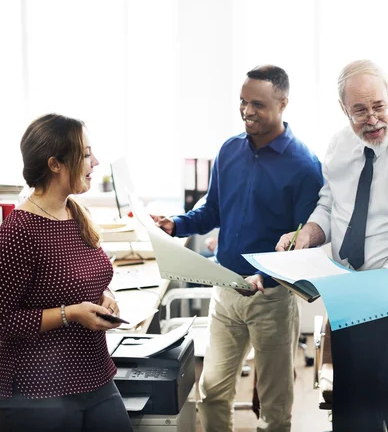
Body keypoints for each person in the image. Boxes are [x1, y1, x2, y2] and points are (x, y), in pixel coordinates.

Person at [276, 60, 388, 431]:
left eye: (379, 106)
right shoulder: (340, 144)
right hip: (351, 285)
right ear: (343, 109)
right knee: (354, 403)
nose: (372, 119)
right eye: (359, 110)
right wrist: (309, 234)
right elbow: (330, 203)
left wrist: (379, 286)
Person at [152, 65, 323, 432]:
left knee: (275, 405)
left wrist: (268, 274)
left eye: (257, 104)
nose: (247, 111)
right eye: (242, 102)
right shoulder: (229, 150)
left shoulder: (305, 167)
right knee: (213, 391)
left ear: (283, 103)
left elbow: (303, 244)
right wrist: (176, 224)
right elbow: (212, 210)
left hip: (271, 299)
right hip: (225, 291)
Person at [0, 114, 133, 432]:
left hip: (94, 374)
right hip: (40, 388)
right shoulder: (19, 231)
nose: (95, 161)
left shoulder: (75, 212)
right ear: (55, 164)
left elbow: (91, 277)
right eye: (86, 154)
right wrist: (70, 314)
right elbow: (3, 321)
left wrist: (106, 296)